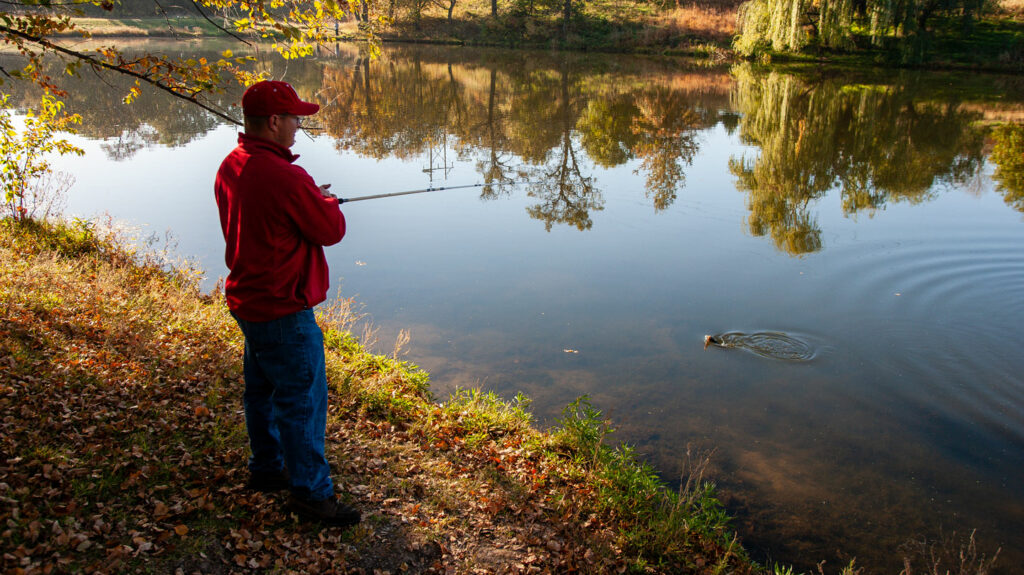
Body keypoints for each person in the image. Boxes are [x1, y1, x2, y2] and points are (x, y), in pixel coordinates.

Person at [214, 80, 359, 527]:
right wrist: (324, 201)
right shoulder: (286, 176)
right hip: (283, 309)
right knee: (302, 402)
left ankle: (266, 469)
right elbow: (331, 230)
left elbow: (267, 212)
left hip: (249, 300)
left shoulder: (232, 164)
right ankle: (311, 496)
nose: (300, 125)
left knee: (260, 392)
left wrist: (308, 195)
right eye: (295, 118)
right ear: (274, 122)